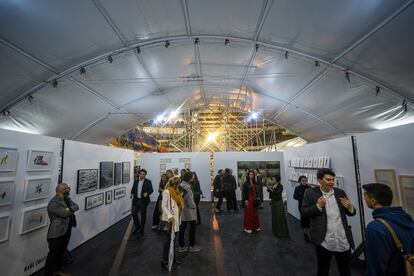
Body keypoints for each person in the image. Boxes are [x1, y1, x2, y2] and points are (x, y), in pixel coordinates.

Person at [302, 168, 356, 276]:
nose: (331, 182)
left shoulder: (340, 192)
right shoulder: (310, 193)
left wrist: (350, 207)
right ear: (319, 180)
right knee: (323, 270)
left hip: (343, 241)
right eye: (328, 179)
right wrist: (318, 206)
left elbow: (351, 212)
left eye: (332, 179)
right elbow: (304, 212)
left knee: (345, 271)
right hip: (324, 241)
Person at [362, 183, 414, 276]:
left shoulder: (375, 227)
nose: (364, 199)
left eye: (365, 196)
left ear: (373, 201)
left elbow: (376, 268)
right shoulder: (406, 218)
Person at [44, 183, 79, 276]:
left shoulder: (67, 199)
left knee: (61, 253)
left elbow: (76, 206)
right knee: (52, 255)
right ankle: (48, 274)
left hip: (66, 230)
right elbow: (64, 214)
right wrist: (68, 210)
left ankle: (58, 272)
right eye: (67, 188)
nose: (69, 189)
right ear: (61, 190)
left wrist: (68, 209)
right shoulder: (53, 203)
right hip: (56, 233)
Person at [160, 176, 184, 270]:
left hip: (177, 219)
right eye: (177, 184)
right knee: (168, 240)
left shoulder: (177, 191)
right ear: (173, 183)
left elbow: (178, 205)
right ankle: (165, 260)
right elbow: (163, 206)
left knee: (174, 240)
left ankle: (173, 258)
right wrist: (169, 216)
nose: (178, 185)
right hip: (170, 220)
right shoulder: (167, 192)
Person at [178, 171, 202, 252]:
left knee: (182, 227)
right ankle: (192, 245)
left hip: (183, 210)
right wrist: (195, 206)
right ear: (189, 178)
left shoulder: (181, 185)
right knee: (192, 227)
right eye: (192, 177)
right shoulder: (187, 187)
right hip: (189, 211)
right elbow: (190, 201)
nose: (193, 178)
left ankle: (181, 246)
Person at [130, 168, 153, 234]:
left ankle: (142, 228)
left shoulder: (148, 181)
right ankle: (137, 226)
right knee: (134, 213)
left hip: (143, 201)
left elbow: (151, 190)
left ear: (145, 175)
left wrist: (147, 193)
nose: (142, 175)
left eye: (143, 174)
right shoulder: (136, 181)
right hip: (136, 200)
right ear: (139, 174)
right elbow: (133, 189)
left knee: (143, 215)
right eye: (141, 174)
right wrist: (132, 194)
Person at [293, 175, 311, 241]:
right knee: (303, 219)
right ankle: (305, 233)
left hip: (309, 206)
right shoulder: (297, 188)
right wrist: (303, 199)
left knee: (309, 218)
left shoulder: (309, 188)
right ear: (300, 181)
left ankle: (309, 232)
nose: (304, 181)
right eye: (303, 180)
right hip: (301, 206)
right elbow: (294, 196)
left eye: (305, 180)